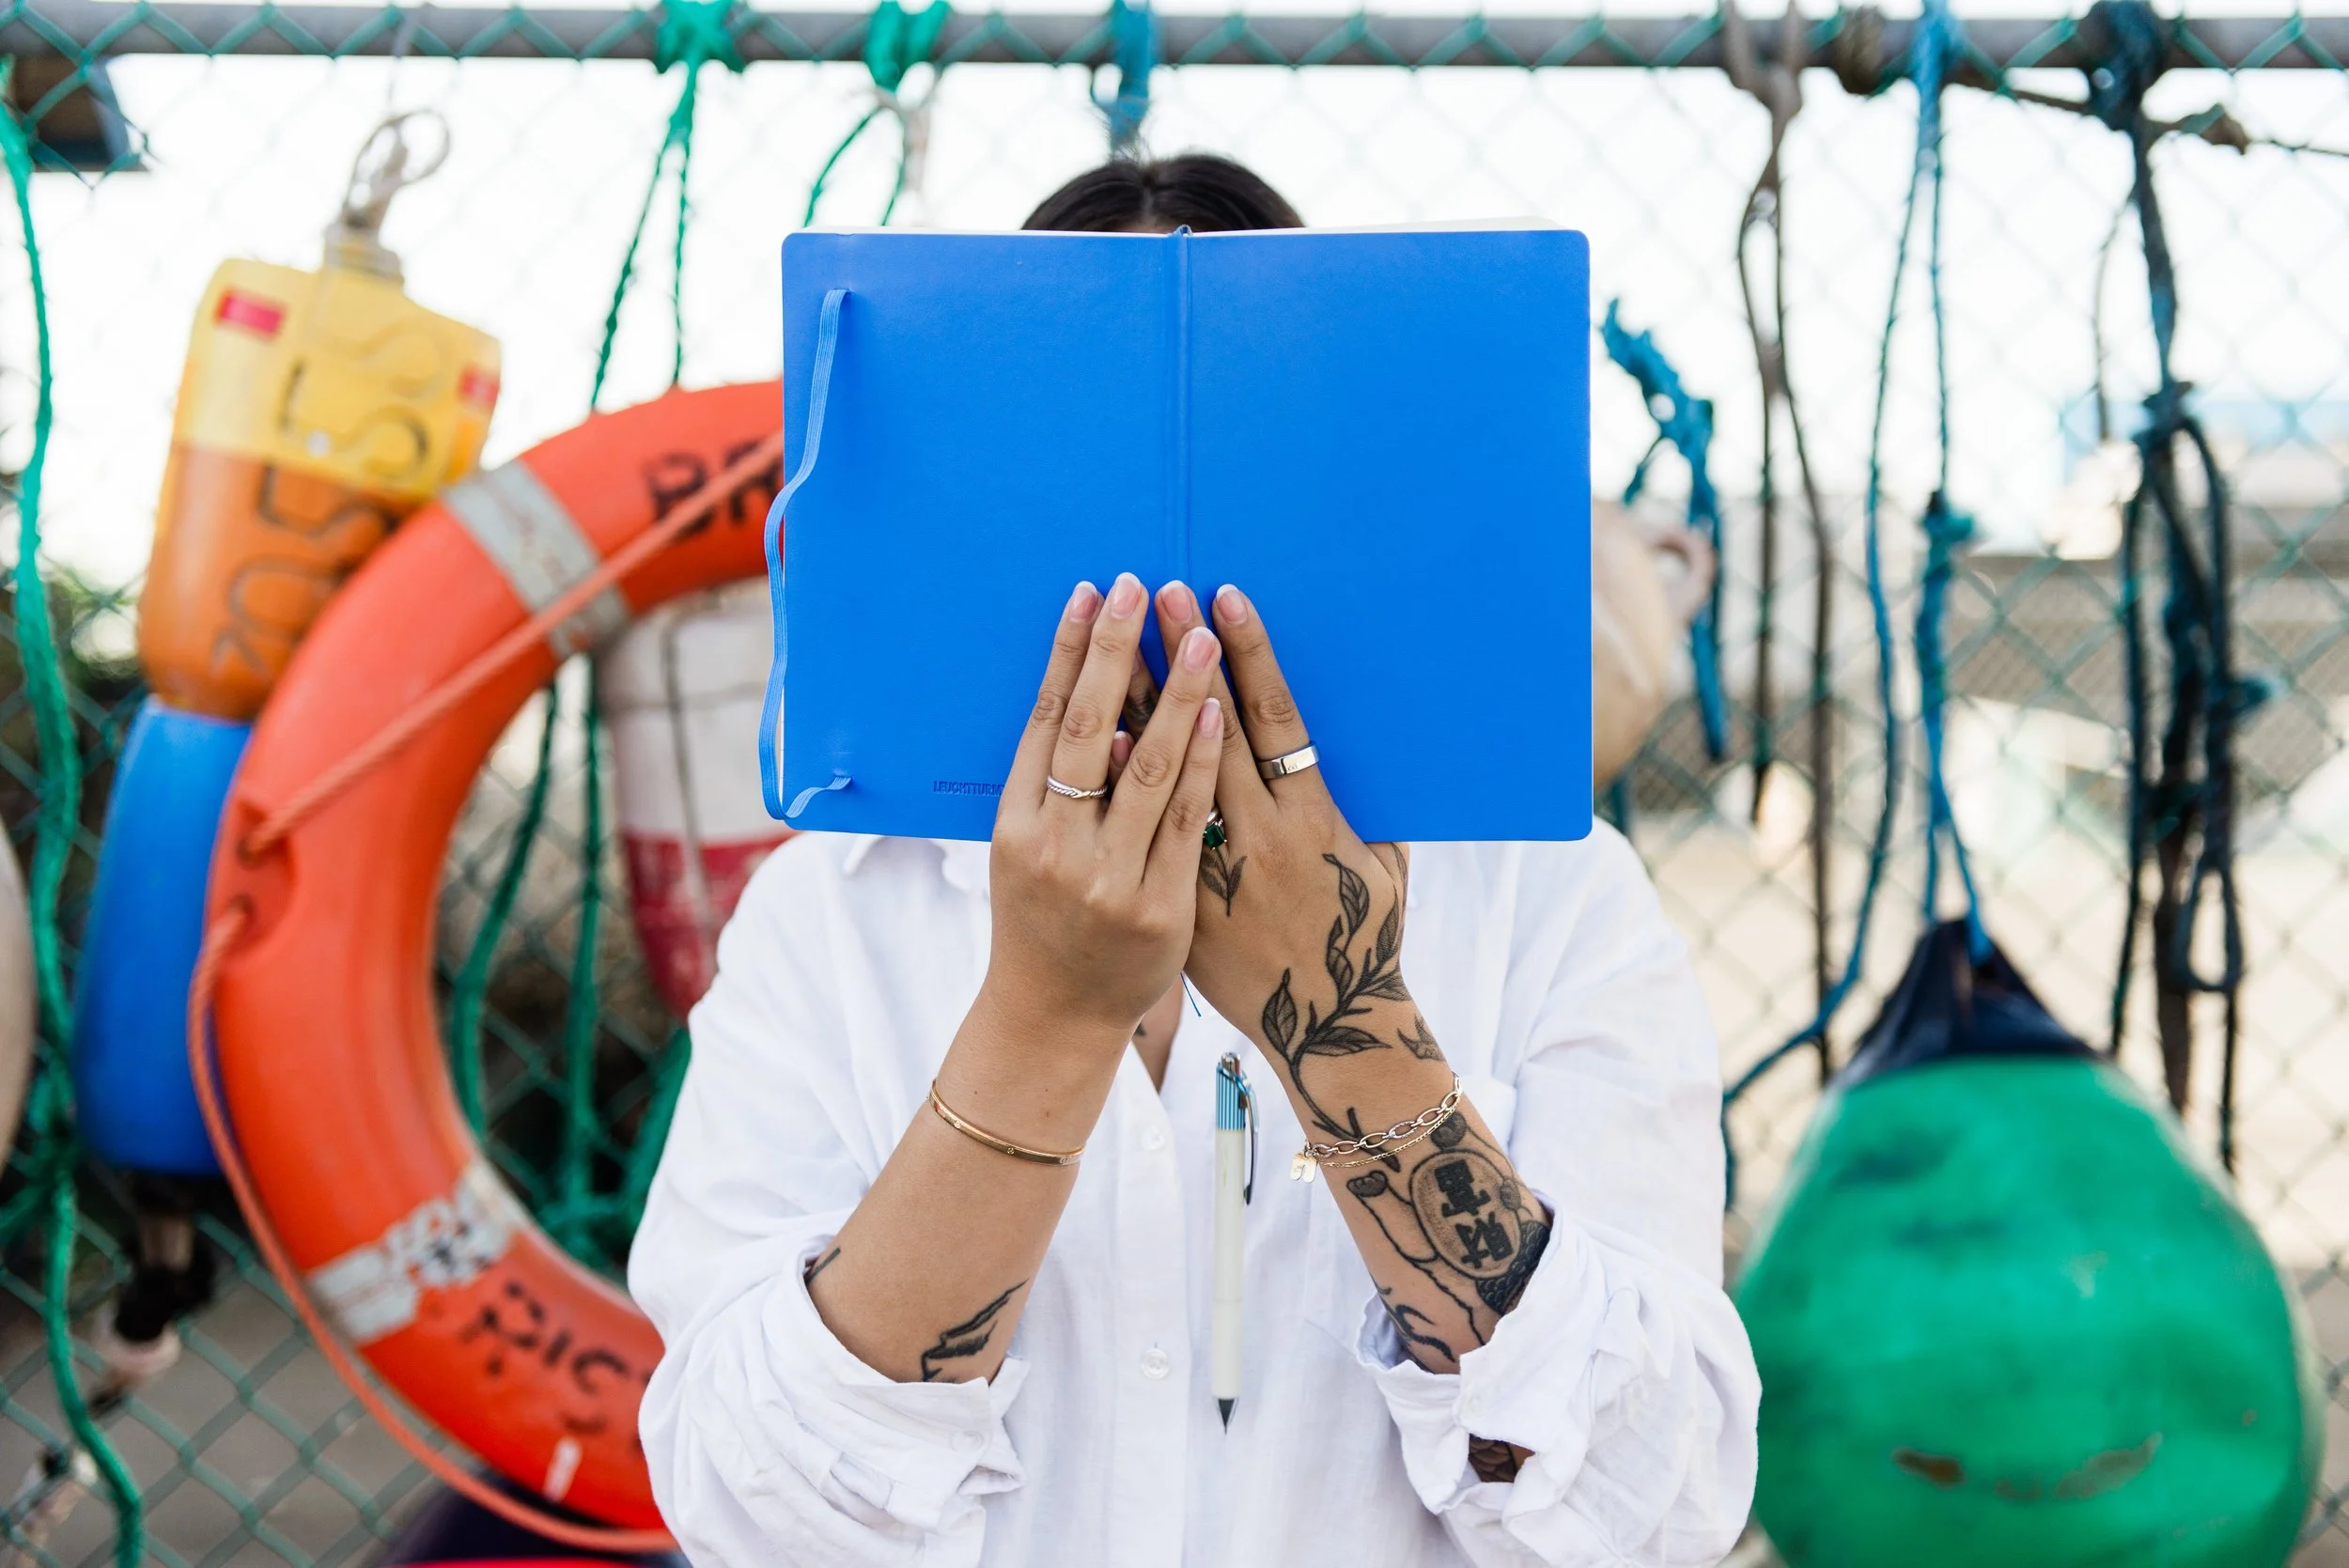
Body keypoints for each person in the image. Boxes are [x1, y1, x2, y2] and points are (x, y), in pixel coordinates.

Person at [631, 153, 1760, 1568]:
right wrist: (1044, 1015)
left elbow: (1650, 1514)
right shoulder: (833, 913)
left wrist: (1337, 1018)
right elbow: (753, 1510)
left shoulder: (1554, 893)